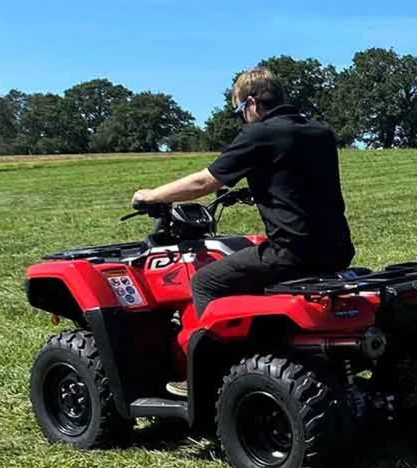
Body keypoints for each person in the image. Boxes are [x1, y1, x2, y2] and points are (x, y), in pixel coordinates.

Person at [130, 67, 354, 318]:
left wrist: (150, 195)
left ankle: (214, 353)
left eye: (239, 113)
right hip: (337, 250)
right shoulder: (319, 132)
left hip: (291, 254)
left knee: (204, 282)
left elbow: (204, 182)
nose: (242, 120)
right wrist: (256, 189)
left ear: (251, 103)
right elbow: (297, 178)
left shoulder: (260, 133)